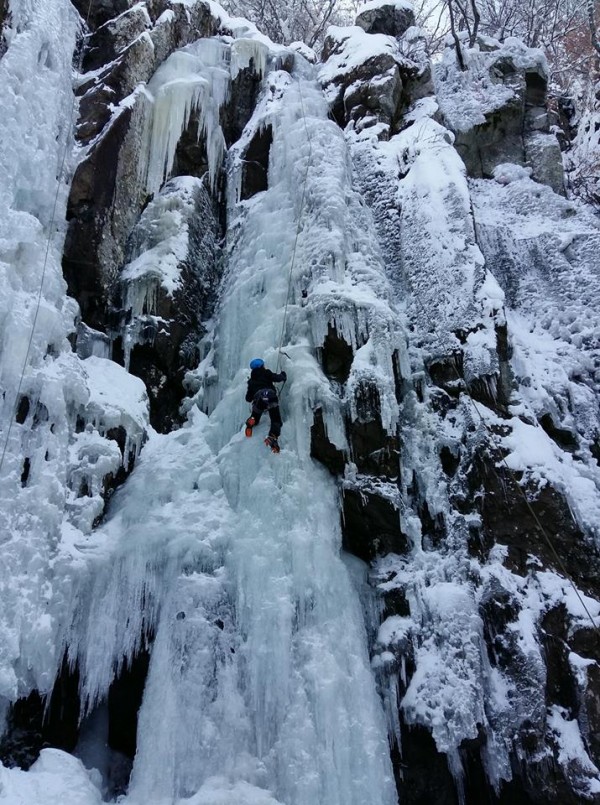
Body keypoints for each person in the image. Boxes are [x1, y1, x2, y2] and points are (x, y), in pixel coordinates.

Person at [244, 358, 287, 453]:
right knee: (276, 420)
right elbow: (277, 378)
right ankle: (272, 436)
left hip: (259, 399)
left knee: (256, 415)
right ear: (262, 366)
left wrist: (252, 390)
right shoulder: (266, 373)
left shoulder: (251, 381)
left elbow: (248, 398)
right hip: (270, 396)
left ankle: (252, 421)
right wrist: (283, 375)